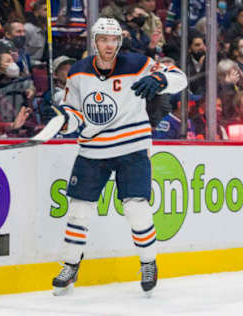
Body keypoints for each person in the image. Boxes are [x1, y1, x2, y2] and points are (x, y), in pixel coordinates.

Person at [49, 17, 187, 296]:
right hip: (92, 150)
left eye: (113, 40)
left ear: (119, 42)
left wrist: (160, 78)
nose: (109, 45)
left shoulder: (137, 64)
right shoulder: (77, 72)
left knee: (136, 208)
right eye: (103, 39)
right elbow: (74, 112)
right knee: (79, 209)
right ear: (95, 41)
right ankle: (71, 264)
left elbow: (179, 78)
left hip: (131, 147)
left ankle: (148, 262)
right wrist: (66, 122)